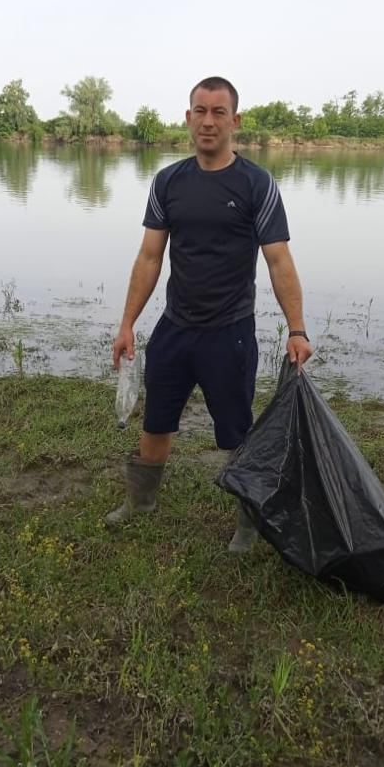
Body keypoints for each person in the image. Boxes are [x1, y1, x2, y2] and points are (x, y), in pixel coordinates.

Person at [107, 76, 312, 552]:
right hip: (175, 327)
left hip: (230, 333)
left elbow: (279, 261)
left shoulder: (256, 184)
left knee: (235, 433)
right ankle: (141, 502)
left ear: (234, 122)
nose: (208, 121)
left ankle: (247, 521)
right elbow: (149, 257)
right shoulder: (168, 182)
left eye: (219, 112)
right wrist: (126, 324)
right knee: (156, 420)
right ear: (187, 117)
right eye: (200, 110)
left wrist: (297, 329)